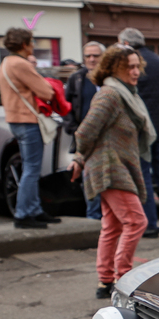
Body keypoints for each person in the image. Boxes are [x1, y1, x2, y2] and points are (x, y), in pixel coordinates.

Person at [69, 45, 156, 299]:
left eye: (137, 66)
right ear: (114, 69)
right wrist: (79, 158)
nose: (136, 71)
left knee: (112, 226)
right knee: (136, 221)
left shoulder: (127, 94)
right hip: (109, 169)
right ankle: (122, 277)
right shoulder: (110, 95)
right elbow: (85, 132)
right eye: (129, 67)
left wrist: (81, 159)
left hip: (116, 166)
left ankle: (105, 280)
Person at [118, 28, 159, 237]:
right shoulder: (158, 61)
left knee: (143, 173)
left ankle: (150, 224)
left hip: (142, 126)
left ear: (126, 44)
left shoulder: (132, 62)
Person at [0, 27, 60, 229]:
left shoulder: (6, 62)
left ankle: (34, 210)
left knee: (29, 167)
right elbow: (46, 92)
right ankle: (24, 213)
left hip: (15, 120)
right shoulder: (21, 64)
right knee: (32, 169)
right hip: (28, 120)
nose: (33, 45)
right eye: (32, 42)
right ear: (24, 44)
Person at [64, 41, 106, 219]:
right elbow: (66, 107)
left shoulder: (109, 78)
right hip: (86, 138)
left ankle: (109, 219)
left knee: (108, 179)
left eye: (96, 56)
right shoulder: (77, 78)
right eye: (88, 56)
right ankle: (94, 219)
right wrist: (74, 129)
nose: (91, 59)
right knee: (90, 179)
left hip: (107, 137)